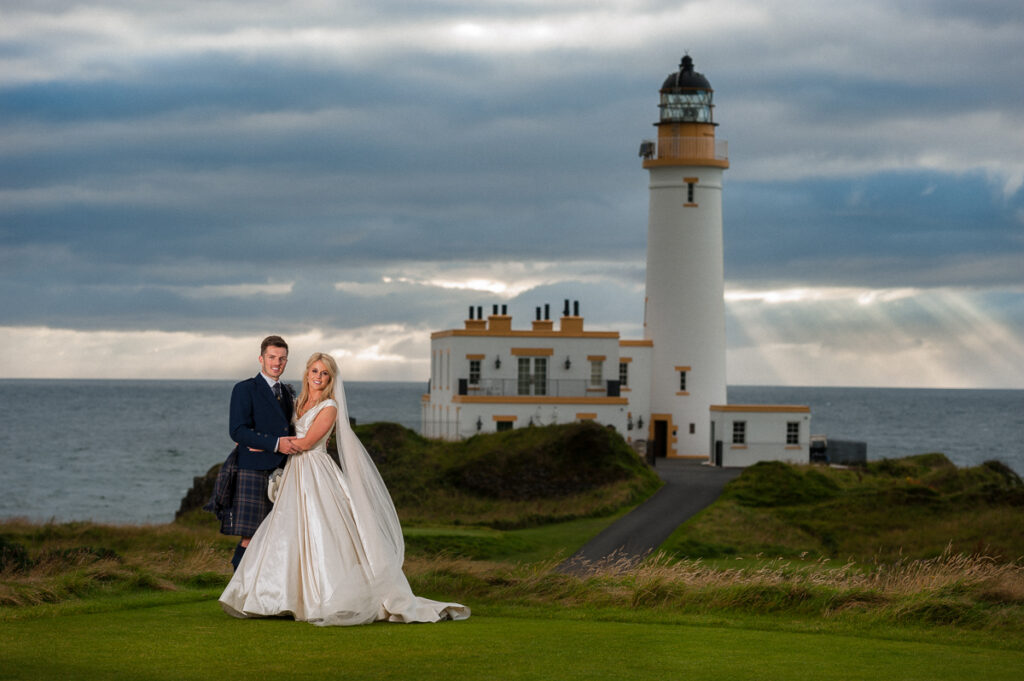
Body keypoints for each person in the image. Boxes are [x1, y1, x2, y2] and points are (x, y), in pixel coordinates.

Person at [219, 352, 470, 626]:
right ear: (307, 373)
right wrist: (253, 441)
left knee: (323, 530)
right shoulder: (297, 402)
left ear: (330, 379)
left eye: (324, 373)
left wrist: (268, 443)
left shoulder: (330, 407)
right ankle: (282, 598)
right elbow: (275, 426)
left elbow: (306, 443)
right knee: (287, 533)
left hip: (316, 471)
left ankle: (323, 595)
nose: (318, 377)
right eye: (314, 371)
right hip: (294, 473)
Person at [221, 335, 302, 570]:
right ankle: (238, 591)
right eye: (272, 357)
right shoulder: (245, 389)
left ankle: (263, 593)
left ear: (286, 361)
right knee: (250, 536)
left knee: (276, 535)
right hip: (253, 469)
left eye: (282, 358)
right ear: (261, 358)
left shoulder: (286, 393)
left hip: (283, 470)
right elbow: (237, 431)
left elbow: (288, 427)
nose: (277, 362)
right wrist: (275, 443)